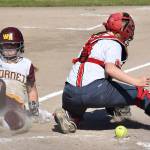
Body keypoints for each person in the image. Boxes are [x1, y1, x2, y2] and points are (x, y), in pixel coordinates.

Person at [54, 12, 150, 134]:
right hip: (94, 92)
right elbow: (110, 69)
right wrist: (136, 81)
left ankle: (70, 116)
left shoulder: (93, 40)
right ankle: (118, 108)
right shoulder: (114, 43)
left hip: (69, 93)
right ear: (122, 29)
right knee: (141, 94)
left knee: (104, 85)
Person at [0, 27, 39, 131]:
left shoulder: (26, 64)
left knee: (16, 123)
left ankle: (6, 118)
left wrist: (34, 110)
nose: (8, 50)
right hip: (1, 98)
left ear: (19, 46)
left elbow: (31, 90)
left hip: (15, 104)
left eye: (12, 47)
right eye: (5, 47)